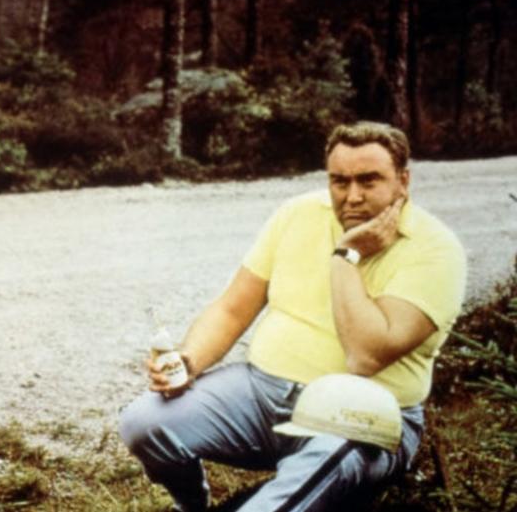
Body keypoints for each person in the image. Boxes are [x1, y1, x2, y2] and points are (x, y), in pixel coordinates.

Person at [119, 121, 467, 511]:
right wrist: (190, 359)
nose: (352, 196)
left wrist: (347, 256)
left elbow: (365, 355)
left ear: (403, 181)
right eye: (339, 181)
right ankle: (194, 506)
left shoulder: (436, 250)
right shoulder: (298, 214)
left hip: (361, 418)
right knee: (143, 423)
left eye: (369, 181)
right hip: (264, 392)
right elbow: (233, 308)